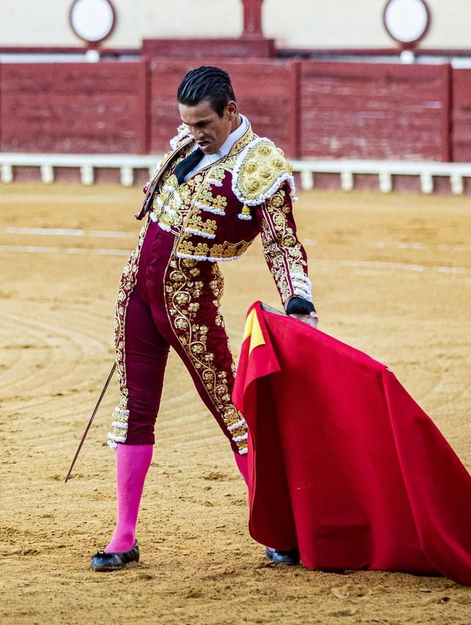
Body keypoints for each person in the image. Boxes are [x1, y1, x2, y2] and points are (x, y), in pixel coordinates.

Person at [92, 66, 315, 572]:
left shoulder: (259, 164)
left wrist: (298, 299)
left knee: (230, 407)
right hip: (138, 294)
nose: (193, 133)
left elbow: (282, 242)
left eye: (203, 124)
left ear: (231, 111)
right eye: (187, 124)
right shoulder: (185, 146)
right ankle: (123, 536)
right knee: (134, 409)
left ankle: (277, 528)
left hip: (188, 299)